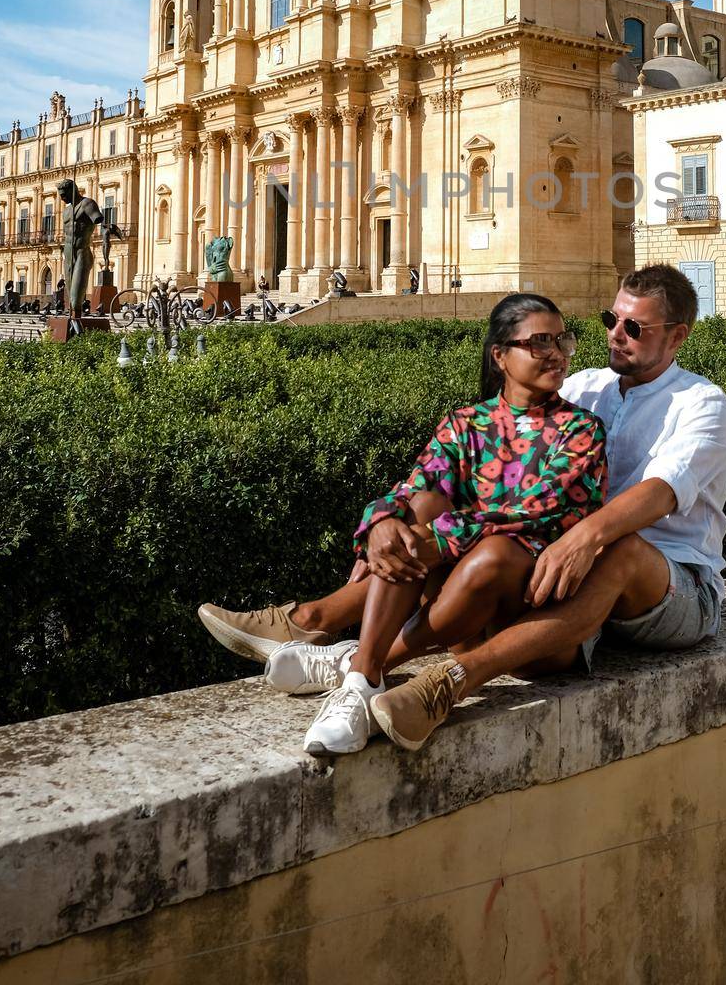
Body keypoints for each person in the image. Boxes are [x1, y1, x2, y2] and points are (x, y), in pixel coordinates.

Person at [198, 293, 606, 756]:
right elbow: (418, 481)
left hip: (530, 615)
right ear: (500, 355)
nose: (556, 352)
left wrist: (442, 541)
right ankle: (361, 677)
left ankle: (353, 661)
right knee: (419, 507)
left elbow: (537, 509)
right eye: (539, 341)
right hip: (461, 607)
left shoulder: (581, 430)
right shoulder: (465, 424)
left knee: (489, 552)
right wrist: (379, 525)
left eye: (562, 340)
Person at [367, 263, 726, 751]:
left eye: (634, 328)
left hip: (677, 587)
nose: (615, 335)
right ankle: (351, 653)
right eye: (610, 319)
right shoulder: (583, 387)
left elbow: (662, 491)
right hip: (581, 588)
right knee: (442, 528)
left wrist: (584, 538)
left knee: (621, 548)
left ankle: (452, 680)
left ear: (677, 336)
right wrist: (387, 521)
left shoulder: (702, 403)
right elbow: (490, 450)